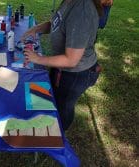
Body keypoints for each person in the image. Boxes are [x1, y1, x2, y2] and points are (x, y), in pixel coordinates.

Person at [22, 0, 108, 130]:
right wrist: (36, 29)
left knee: (63, 109)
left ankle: (59, 136)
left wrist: (38, 59)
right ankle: (50, 128)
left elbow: (71, 60)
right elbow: (55, 24)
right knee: (52, 100)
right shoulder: (68, 2)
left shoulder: (81, 10)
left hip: (75, 74)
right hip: (62, 68)